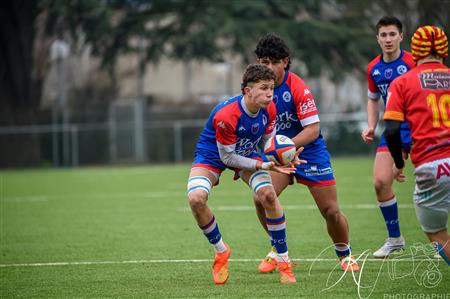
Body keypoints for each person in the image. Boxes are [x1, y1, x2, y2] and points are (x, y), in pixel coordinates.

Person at [253, 33, 360, 273]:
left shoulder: (298, 88)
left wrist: (285, 147)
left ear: (285, 62)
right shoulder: (256, 91)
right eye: (262, 62)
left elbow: (313, 130)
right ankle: (278, 249)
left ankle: (345, 255)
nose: (267, 67)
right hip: (277, 156)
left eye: (272, 62)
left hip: (308, 152)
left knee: (331, 211)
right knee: (262, 197)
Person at [187, 64, 301, 285]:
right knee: (196, 198)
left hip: (246, 151)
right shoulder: (226, 115)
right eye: (264, 88)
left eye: (272, 88)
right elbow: (228, 158)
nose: (270, 94)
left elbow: (269, 142)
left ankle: (284, 262)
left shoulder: (270, 108)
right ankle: (221, 251)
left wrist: (284, 156)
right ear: (248, 91)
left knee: (268, 195)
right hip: (213, 154)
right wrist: (263, 166)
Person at [384, 25, 450, 265]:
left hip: (433, 166)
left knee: (436, 231)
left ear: (415, 50)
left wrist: (399, 163)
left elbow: (391, 131)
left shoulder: (403, 82)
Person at [361, 16, 415, 258]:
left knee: (435, 185)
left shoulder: (414, 62)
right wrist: (371, 126)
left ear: (401, 37)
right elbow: (373, 99)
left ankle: (441, 242)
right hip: (393, 131)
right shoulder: (374, 67)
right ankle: (395, 239)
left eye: (392, 34)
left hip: (420, 129)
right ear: (377, 39)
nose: (388, 39)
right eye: (383, 35)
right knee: (381, 182)